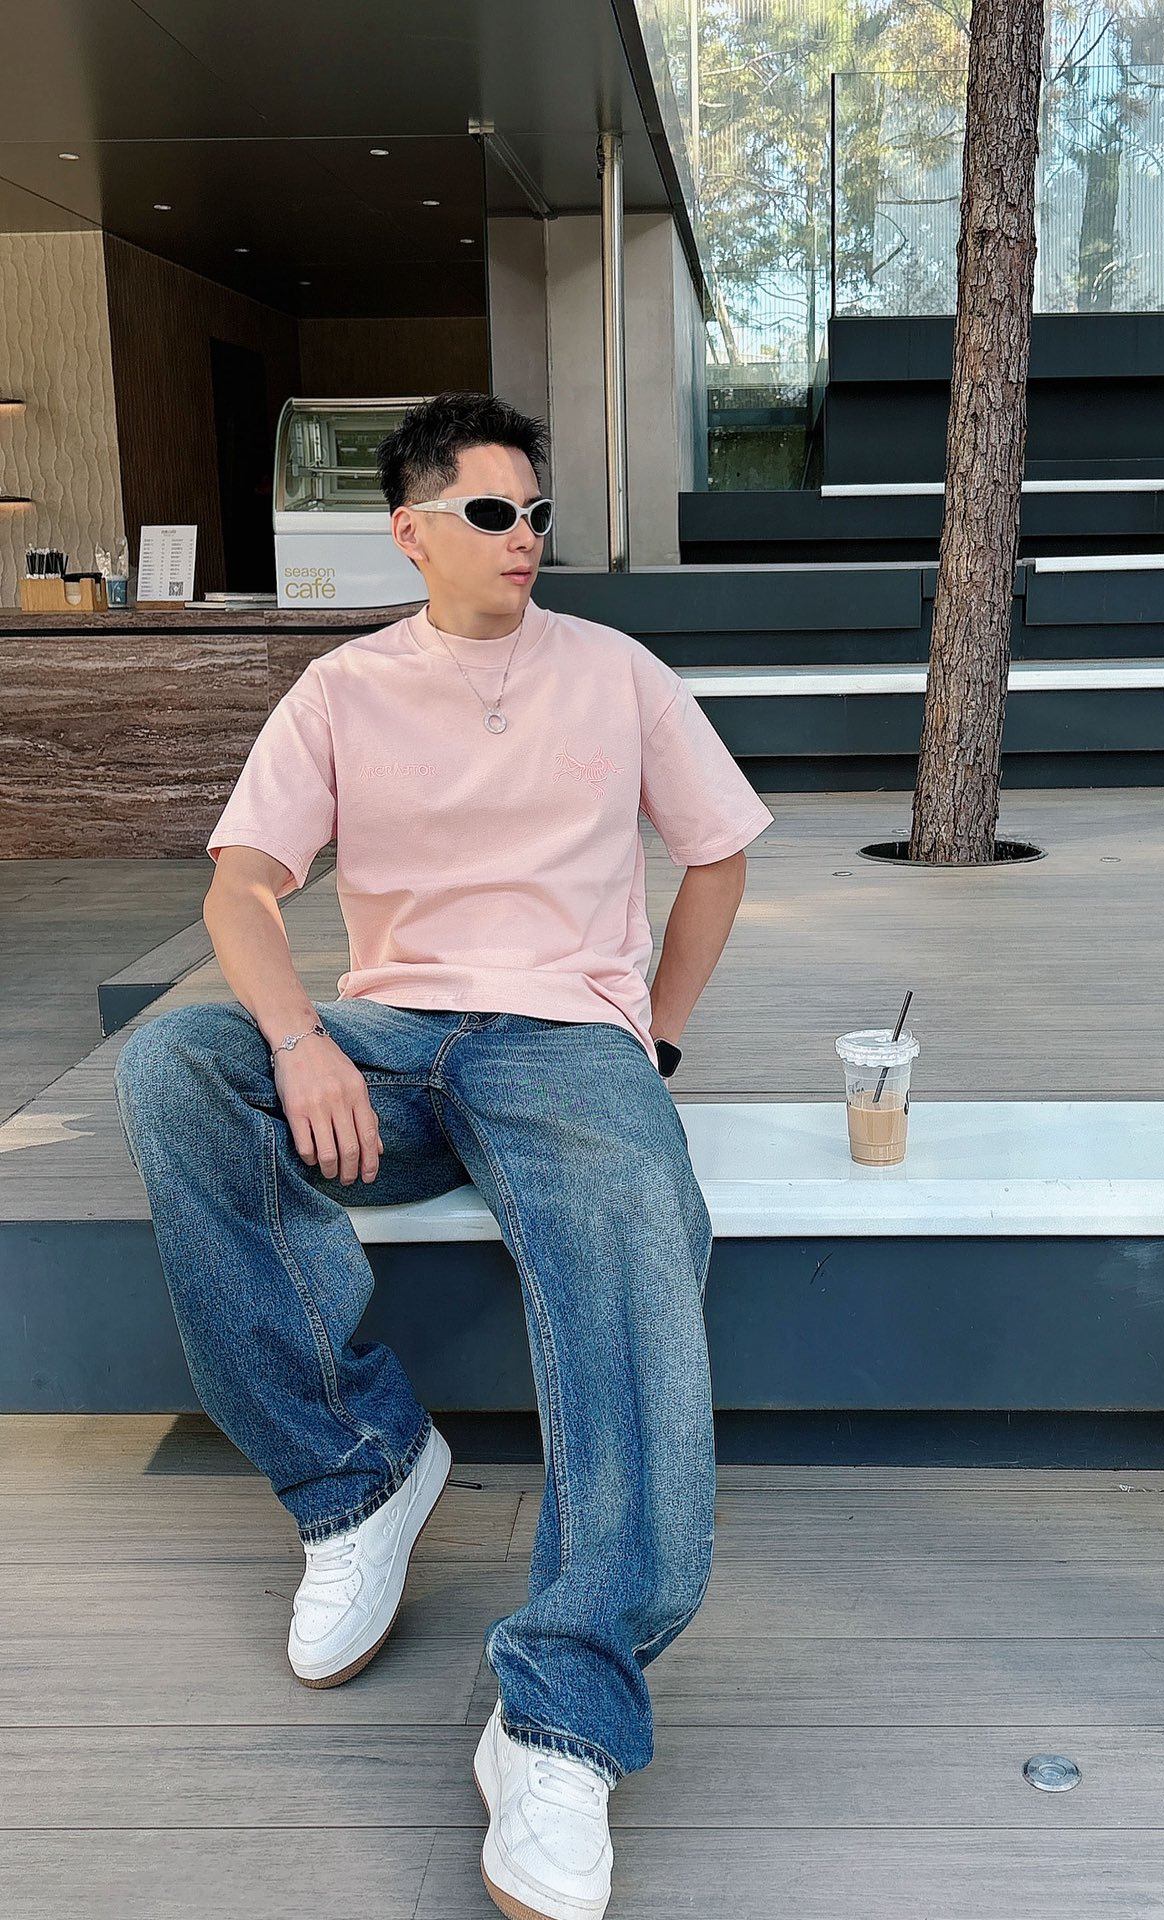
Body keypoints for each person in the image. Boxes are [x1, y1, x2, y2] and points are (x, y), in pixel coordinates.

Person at [113, 390, 775, 1920]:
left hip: (567, 1041)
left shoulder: (617, 673)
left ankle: (562, 1714)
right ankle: (358, 1476)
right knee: (176, 1064)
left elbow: (719, 853)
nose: (523, 536)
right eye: (490, 512)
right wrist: (298, 1038)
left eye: (536, 511)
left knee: (637, 1231)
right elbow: (240, 890)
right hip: (389, 1038)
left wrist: (655, 1038)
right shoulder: (342, 690)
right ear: (409, 532)